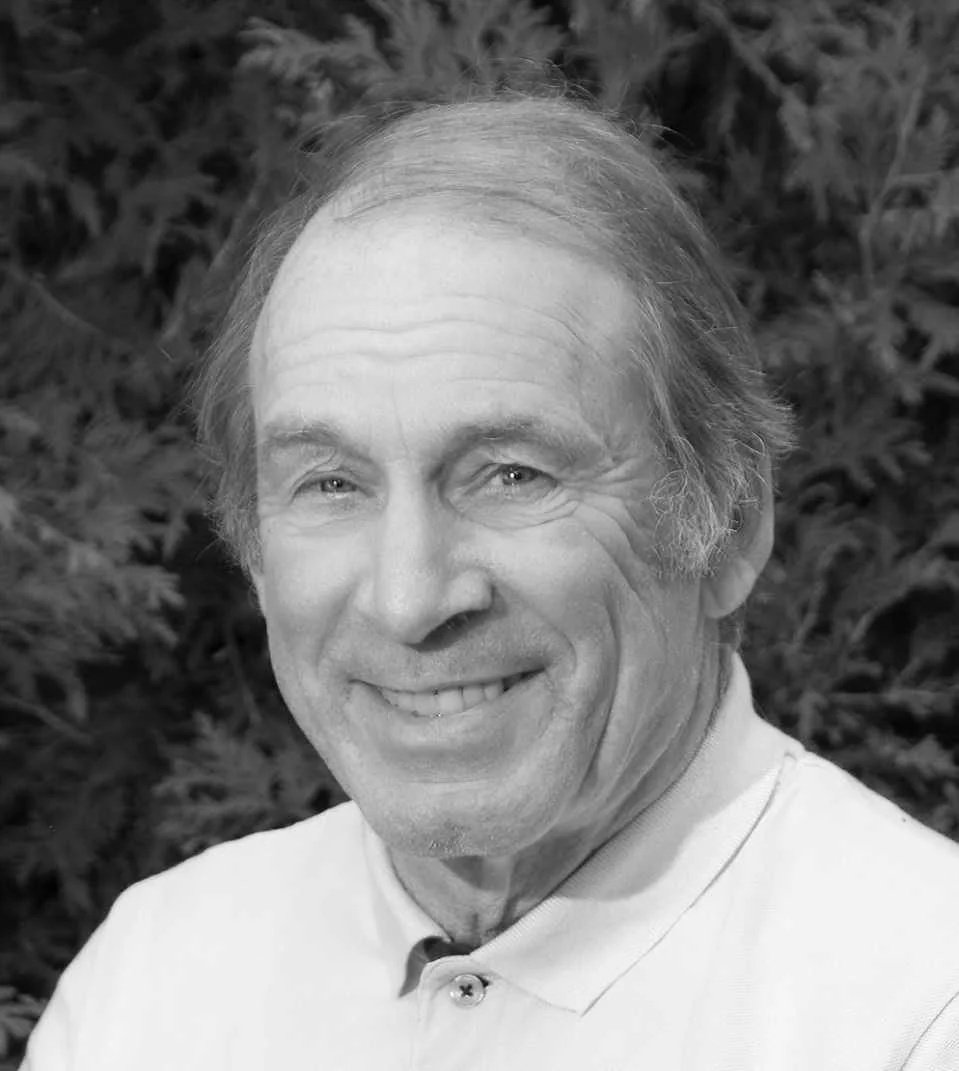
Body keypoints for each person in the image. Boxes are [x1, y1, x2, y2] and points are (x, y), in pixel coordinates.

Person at [22, 91, 959, 1071]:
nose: (408, 598)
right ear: (253, 551)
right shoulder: (152, 980)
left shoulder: (916, 1005)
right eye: (331, 483)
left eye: (513, 474)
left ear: (726, 526)